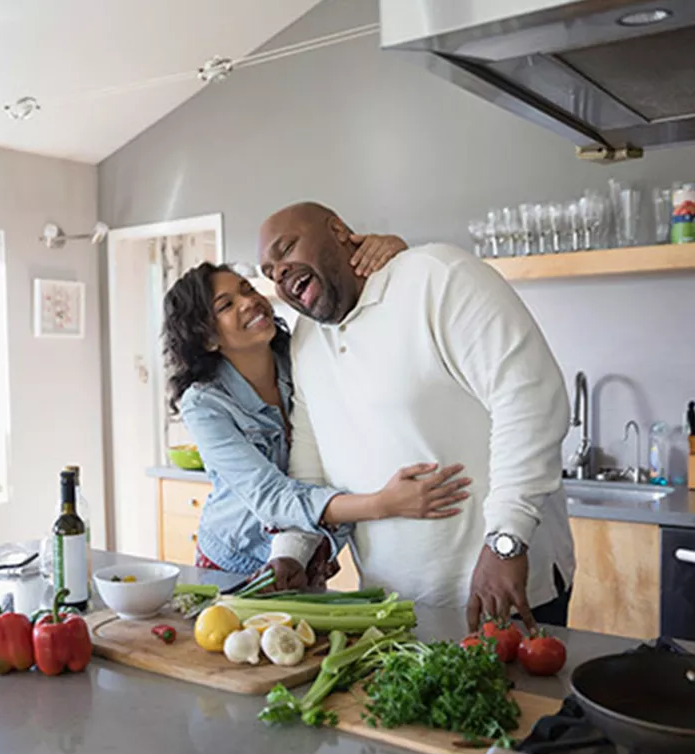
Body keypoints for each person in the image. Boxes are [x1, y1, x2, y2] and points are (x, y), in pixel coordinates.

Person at [258, 203, 576, 630]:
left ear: (338, 228)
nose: (279, 272)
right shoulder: (306, 339)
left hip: (503, 588)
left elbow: (530, 400)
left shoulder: (438, 277)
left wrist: (507, 541)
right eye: (268, 270)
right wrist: (292, 551)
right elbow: (312, 462)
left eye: (287, 248)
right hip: (389, 605)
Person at [162, 236, 472, 589]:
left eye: (248, 289)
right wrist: (383, 504)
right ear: (207, 338)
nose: (249, 302)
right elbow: (273, 496)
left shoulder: (303, 355)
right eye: (226, 305)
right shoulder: (204, 404)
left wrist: (390, 253)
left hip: (307, 550)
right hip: (236, 560)